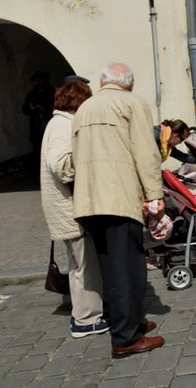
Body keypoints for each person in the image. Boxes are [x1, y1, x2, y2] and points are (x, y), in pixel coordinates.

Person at [72, 62, 164, 358]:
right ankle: (126, 338)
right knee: (129, 268)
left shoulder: (85, 108)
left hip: (89, 201)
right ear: (131, 85)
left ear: (102, 82)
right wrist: (154, 195)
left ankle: (129, 321)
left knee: (110, 267)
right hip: (119, 198)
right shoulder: (131, 103)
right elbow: (145, 152)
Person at [40, 79, 108, 338]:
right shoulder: (62, 125)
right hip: (70, 209)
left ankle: (87, 313)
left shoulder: (60, 122)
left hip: (69, 207)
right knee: (83, 264)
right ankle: (86, 319)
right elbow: (61, 166)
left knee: (82, 263)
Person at [22, 70, 55, 168]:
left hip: (49, 126)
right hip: (36, 129)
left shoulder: (52, 92)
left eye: (39, 80)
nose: (37, 83)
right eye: (34, 81)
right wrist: (30, 107)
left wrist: (44, 108)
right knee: (37, 149)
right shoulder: (31, 94)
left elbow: (56, 107)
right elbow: (24, 110)